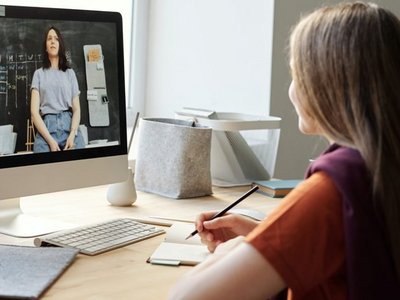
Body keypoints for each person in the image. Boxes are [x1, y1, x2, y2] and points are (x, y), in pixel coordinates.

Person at [169, 2, 400, 299]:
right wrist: (266, 238)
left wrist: (243, 247)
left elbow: (187, 297)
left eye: (296, 75)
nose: (291, 90)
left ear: (325, 84)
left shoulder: (334, 190)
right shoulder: (383, 167)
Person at [31, 26, 85, 152]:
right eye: (49, 39)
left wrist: (73, 133)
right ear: (46, 46)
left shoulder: (70, 73)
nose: (53, 41)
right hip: (46, 129)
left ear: (60, 44)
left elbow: (77, 109)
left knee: (80, 167)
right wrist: (50, 140)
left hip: (69, 125)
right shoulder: (38, 74)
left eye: (56, 39)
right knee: (42, 169)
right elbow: (34, 112)